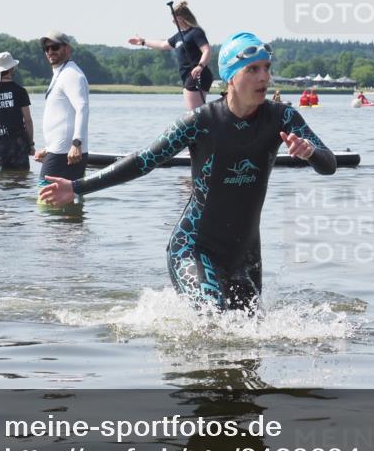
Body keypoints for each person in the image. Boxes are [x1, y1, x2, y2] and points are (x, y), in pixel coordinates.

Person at [39, 32, 336, 311]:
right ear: (231, 77)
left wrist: (309, 152)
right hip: (193, 247)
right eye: (253, 70)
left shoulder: (282, 117)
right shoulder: (200, 121)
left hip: (245, 254)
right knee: (213, 318)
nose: (264, 77)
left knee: (251, 341)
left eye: (267, 68)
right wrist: (76, 187)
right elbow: (144, 160)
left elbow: (329, 164)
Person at [128, 1, 212, 110]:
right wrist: (143, 42)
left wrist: (200, 66)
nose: (172, 21)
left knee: (193, 113)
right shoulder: (179, 36)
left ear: (182, 18)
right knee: (195, 112)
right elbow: (162, 44)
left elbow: (207, 50)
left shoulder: (196, 32)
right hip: (188, 76)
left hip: (197, 74)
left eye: (174, 18)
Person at [33, 31, 89, 183]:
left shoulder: (71, 74)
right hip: (59, 150)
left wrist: (76, 144)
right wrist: (49, 148)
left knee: (45, 201)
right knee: (60, 203)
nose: (50, 51)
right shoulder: (60, 73)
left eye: (55, 47)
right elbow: (63, 117)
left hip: (67, 153)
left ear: (67, 49)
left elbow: (82, 108)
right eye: (46, 49)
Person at [0, 52, 34, 171]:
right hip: (19, 144)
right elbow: (28, 120)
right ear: (11, 68)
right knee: (22, 181)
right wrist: (30, 144)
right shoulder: (20, 91)